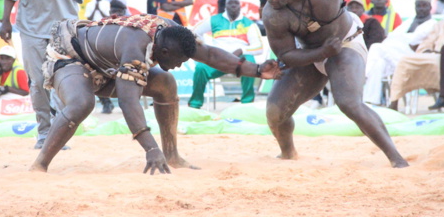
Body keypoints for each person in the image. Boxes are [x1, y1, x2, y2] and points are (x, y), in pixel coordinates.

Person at [29, 13, 280, 173]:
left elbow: (211, 54)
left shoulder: (175, 34)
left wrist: (257, 70)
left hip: (109, 65)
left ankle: (172, 155)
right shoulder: (135, 50)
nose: (182, 65)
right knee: (82, 103)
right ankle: (40, 164)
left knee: (167, 84)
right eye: (180, 61)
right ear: (164, 52)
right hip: (72, 56)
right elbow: (129, 103)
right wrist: (150, 149)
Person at [261, 0, 430, 168]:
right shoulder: (273, 14)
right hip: (310, 53)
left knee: (349, 103)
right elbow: (287, 55)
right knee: (275, 111)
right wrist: (320, 53)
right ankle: (287, 152)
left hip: (346, 42)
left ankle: (396, 158)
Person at [0, 0, 93, 150]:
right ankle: (43, 133)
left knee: (63, 82)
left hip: (65, 29)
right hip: (30, 26)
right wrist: (5, 20)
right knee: (38, 82)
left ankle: (58, 135)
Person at [189, 0, 265, 108]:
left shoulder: (249, 24)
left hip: (239, 61)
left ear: (240, 6)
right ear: (225, 6)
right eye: (230, 3)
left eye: (236, 3)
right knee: (200, 68)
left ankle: (247, 104)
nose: (233, 5)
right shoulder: (214, 19)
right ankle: (195, 104)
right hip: (217, 60)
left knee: (250, 61)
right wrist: (204, 47)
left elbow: (259, 47)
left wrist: (241, 50)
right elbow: (194, 32)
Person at [363, 0, 435, 105]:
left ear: (430, 7)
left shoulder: (432, 24)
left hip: (412, 58)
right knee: (378, 64)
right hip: (393, 56)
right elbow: (392, 35)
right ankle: (371, 102)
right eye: (418, 5)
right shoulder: (410, 21)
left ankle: (363, 75)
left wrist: (400, 38)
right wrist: (400, 38)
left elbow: (413, 40)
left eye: (424, 5)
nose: (421, 9)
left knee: (376, 47)